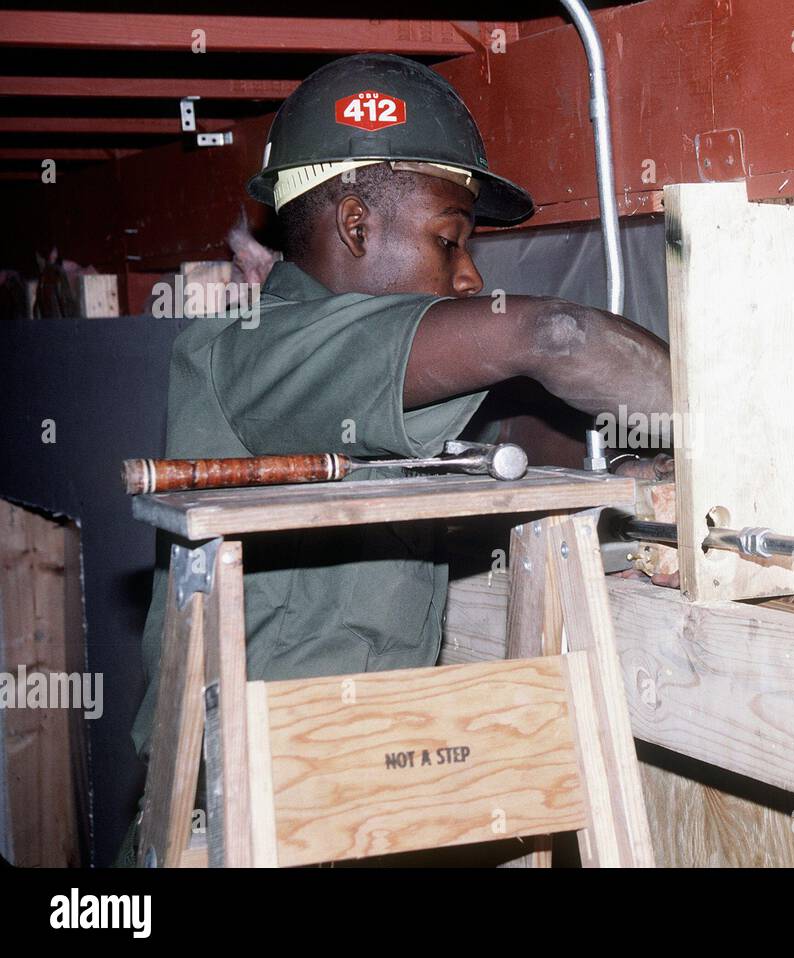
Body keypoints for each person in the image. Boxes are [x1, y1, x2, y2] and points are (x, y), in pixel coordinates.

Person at [120, 53, 671, 862]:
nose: (471, 272)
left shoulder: (369, 391)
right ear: (355, 225)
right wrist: (733, 422)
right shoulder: (252, 352)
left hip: (359, 806)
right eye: (450, 239)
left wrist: (623, 477)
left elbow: (501, 453)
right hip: (245, 832)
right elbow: (558, 336)